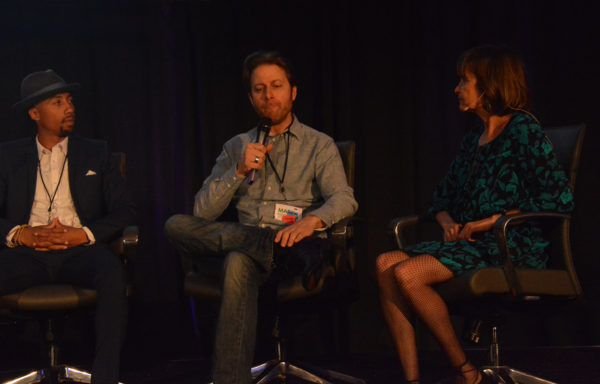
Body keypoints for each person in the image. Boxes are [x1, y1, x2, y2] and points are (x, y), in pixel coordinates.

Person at [375, 45, 574, 384]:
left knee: (408, 274)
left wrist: (487, 223)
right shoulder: (473, 140)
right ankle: (410, 380)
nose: (457, 89)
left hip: (510, 246)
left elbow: (557, 200)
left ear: (489, 85)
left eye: (464, 81)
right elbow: (440, 199)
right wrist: (449, 224)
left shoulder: (524, 130)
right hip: (473, 245)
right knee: (383, 264)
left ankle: (466, 372)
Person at [165, 50, 358, 384]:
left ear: (292, 92)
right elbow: (201, 212)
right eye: (259, 89)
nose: (268, 95)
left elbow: (344, 198)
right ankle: (267, 244)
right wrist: (238, 171)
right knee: (175, 226)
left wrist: (312, 222)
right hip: (253, 244)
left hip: (296, 244)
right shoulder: (236, 146)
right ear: (251, 98)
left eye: (277, 86)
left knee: (236, 260)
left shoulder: (319, 145)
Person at [0, 69, 136, 384]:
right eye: (58, 102)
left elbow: (126, 210)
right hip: (27, 253)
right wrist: (20, 233)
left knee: (113, 273)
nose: (70, 108)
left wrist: (83, 234)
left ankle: (105, 378)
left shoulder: (96, 151)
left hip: (80, 251)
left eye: (70, 100)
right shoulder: (8, 156)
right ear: (35, 113)